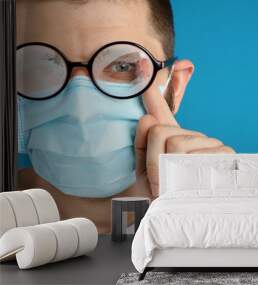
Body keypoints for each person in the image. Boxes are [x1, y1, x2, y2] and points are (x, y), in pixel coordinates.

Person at [16, 0, 235, 234]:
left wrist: (219, 222)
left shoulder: (223, 215)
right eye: (38, 67)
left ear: (176, 86)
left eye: (122, 66)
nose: (81, 111)